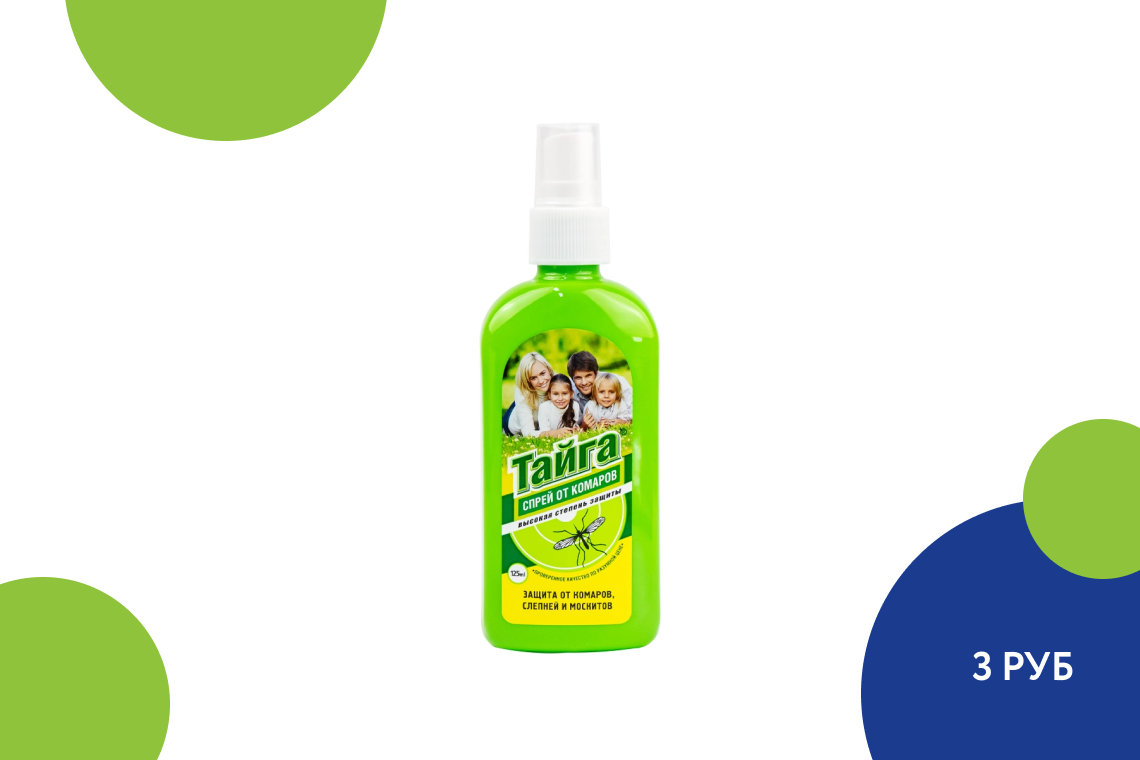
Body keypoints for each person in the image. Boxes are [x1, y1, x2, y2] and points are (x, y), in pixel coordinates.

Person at [506, 352, 568, 438]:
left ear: (549, 370)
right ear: (528, 380)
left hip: (537, 417)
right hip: (513, 424)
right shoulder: (522, 392)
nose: (541, 381)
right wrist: (553, 433)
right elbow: (527, 433)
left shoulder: (557, 382)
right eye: (533, 378)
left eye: (542, 373)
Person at [566, 350, 632, 428]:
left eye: (588, 376)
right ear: (572, 379)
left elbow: (638, 416)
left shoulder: (619, 384)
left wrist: (625, 422)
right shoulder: (568, 391)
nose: (584, 382)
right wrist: (583, 427)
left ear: (597, 373)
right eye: (578, 378)